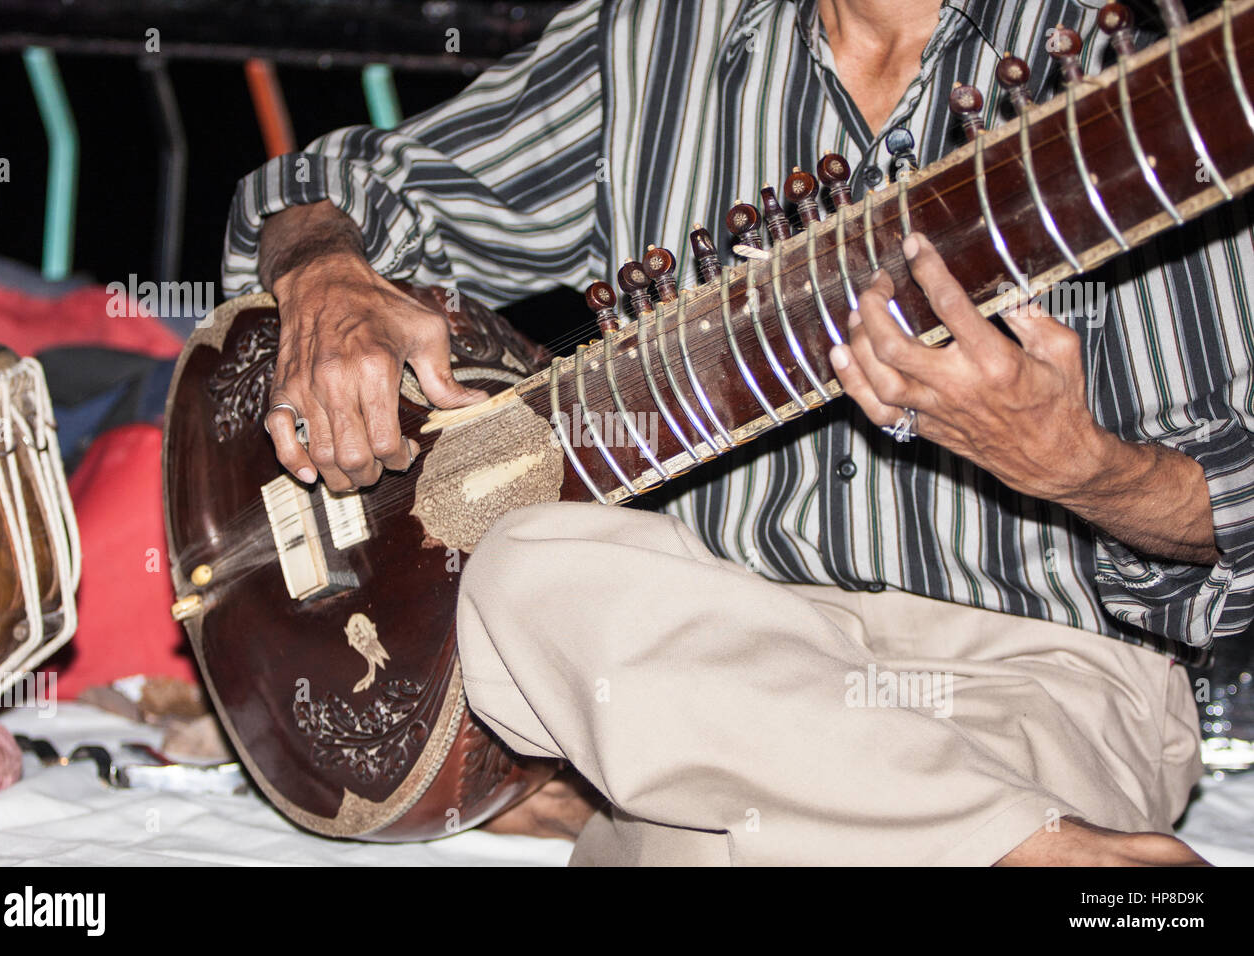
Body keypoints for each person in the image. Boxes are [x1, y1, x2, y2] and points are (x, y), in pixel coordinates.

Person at [222, 0, 1253, 864]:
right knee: (526, 569)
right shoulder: (658, 37)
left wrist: (1081, 467)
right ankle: (1020, 845)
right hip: (726, 653)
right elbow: (331, 187)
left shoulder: (1172, 59)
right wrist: (324, 273)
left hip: (1040, 671)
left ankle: (902, 811)